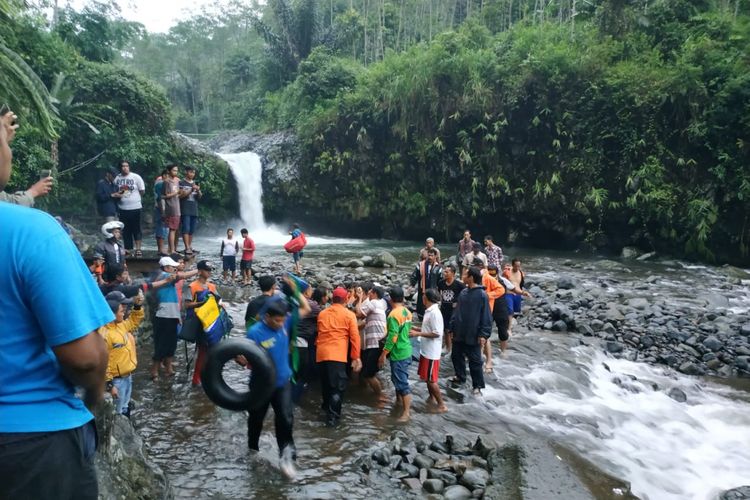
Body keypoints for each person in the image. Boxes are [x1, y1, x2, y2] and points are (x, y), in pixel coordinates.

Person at [1, 106, 113, 499]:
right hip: (30, 441)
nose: (9, 149)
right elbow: (84, 356)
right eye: (5, 137)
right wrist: (96, 393)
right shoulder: (30, 232)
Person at [242, 285, 310, 480]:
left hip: (282, 383)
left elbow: (306, 308)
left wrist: (295, 290)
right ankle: (252, 449)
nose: (281, 324)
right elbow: (247, 359)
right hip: (261, 385)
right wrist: (242, 359)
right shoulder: (255, 332)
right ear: (267, 318)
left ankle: (287, 457)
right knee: (256, 420)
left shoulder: (287, 322)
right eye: (277, 321)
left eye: (282, 320)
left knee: (286, 419)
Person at [316, 286, 362, 426]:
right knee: (337, 388)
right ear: (346, 299)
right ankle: (332, 420)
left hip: (321, 354)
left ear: (332, 299)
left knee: (326, 386)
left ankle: (325, 410)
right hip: (337, 355)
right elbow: (355, 338)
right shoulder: (349, 315)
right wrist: (356, 357)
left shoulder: (322, 313)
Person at [150, 256, 198, 381]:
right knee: (162, 343)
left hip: (171, 314)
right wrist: (198, 270)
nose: (175, 269)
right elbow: (182, 276)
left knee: (171, 343)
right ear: (166, 267)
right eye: (173, 267)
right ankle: (154, 370)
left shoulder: (165, 277)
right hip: (163, 315)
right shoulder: (164, 276)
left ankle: (168, 368)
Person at [101, 290, 144, 417]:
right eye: (121, 311)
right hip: (116, 380)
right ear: (112, 314)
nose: (124, 312)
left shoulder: (120, 325)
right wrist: (109, 385)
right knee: (117, 411)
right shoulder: (105, 334)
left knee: (125, 406)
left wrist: (137, 307)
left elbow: (133, 321)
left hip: (127, 376)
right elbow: (103, 362)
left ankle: (128, 428)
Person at [450, 266, 492, 395]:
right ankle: (460, 376)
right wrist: (452, 326)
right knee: (456, 355)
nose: (462, 277)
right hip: (460, 331)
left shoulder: (482, 295)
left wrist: (484, 334)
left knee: (475, 361)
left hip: (473, 333)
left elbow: (486, 316)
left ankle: (477, 385)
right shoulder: (463, 292)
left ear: (471, 278)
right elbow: (457, 312)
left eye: (465, 275)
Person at [377, 286, 413, 422]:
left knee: (402, 383)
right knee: (398, 379)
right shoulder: (407, 312)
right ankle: (398, 404)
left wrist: (383, 354)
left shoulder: (393, 315)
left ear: (390, 299)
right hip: (407, 349)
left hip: (399, 353)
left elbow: (393, 337)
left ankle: (406, 413)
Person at [412, 288, 447, 412]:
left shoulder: (435, 313)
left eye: (423, 296)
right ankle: (431, 398)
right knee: (427, 378)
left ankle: (442, 405)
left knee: (432, 380)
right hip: (426, 350)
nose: (422, 298)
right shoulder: (429, 311)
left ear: (426, 298)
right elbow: (428, 328)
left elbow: (437, 333)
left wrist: (418, 334)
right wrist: (417, 329)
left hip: (432, 352)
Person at [184, 260, 218, 387]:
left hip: (212, 324)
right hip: (199, 325)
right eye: (206, 270)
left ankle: (208, 377)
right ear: (199, 271)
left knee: (213, 351)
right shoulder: (192, 286)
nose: (209, 272)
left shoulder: (212, 287)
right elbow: (187, 305)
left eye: (210, 270)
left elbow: (218, 302)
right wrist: (200, 303)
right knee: (203, 352)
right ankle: (196, 380)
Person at [294, 286, 326, 402]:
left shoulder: (298, 302)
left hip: (297, 341)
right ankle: (296, 400)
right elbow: (326, 317)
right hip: (303, 342)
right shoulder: (313, 306)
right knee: (302, 374)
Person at [355, 285, 388, 397]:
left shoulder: (374, 303)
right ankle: (366, 393)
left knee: (368, 374)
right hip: (376, 342)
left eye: (370, 292)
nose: (368, 293)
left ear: (374, 294)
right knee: (366, 371)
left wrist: (359, 298)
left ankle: (380, 396)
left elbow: (359, 313)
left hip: (375, 343)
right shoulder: (380, 304)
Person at [478, 261, 507, 370]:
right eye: (489, 274)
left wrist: (522, 293)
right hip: (488, 310)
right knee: (485, 334)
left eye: (493, 274)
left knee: (503, 331)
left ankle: (503, 351)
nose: (491, 276)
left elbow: (512, 289)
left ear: (497, 274)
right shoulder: (484, 281)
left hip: (500, 309)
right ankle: (484, 356)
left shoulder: (503, 282)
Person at [114, 161, 146, 256]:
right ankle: (128, 249)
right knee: (125, 230)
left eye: (127, 166)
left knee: (136, 229)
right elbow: (115, 190)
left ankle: (138, 249)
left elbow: (142, 191)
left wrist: (134, 198)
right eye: (123, 166)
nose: (125, 168)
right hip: (122, 208)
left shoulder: (136, 177)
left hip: (135, 207)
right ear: (120, 168)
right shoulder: (117, 178)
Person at [438, 263, 465, 355]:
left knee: (453, 330)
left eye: (447, 272)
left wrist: (458, 302)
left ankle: (456, 348)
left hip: (454, 311)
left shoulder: (459, 285)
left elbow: (466, 294)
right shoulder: (441, 283)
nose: (444, 273)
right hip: (444, 308)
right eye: (444, 271)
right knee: (445, 329)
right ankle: (448, 347)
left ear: (453, 273)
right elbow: (439, 293)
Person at [411, 247, 443, 319]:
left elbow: (440, 280)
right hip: (422, 290)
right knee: (421, 306)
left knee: (432, 306)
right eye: (429, 255)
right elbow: (415, 275)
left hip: (433, 290)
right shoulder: (420, 265)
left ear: (435, 256)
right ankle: (421, 319)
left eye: (432, 255)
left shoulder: (438, 267)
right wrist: (411, 285)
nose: (430, 257)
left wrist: (441, 291)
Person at [504, 258, 531, 336]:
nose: (517, 268)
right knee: (510, 310)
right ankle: (508, 329)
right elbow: (502, 282)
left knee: (515, 311)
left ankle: (509, 324)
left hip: (518, 294)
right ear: (512, 265)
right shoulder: (507, 272)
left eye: (519, 266)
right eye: (516, 266)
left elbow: (521, 284)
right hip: (508, 293)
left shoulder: (521, 273)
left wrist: (524, 293)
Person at [179, 165, 201, 255]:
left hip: (194, 209)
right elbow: (180, 196)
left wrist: (198, 191)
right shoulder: (181, 183)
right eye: (191, 172)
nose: (192, 174)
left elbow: (199, 197)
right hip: (185, 209)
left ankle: (189, 246)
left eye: (194, 172)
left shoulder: (195, 183)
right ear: (186, 172)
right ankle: (187, 247)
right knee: (186, 228)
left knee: (192, 229)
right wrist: (191, 190)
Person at [161, 163, 182, 255]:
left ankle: (173, 249)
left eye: (177, 170)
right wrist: (176, 192)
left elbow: (178, 194)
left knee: (175, 229)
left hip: (177, 207)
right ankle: (171, 250)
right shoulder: (167, 181)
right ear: (169, 171)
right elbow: (164, 196)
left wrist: (181, 193)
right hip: (171, 207)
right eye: (174, 170)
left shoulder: (177, 181)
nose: (176, 172)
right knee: (172, 229)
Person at [153, 168, 169, 256]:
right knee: (161, 228)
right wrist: (163, 211)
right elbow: (159, 199)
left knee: (164, 228)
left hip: (165, 209)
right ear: (163, 176)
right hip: (161, 209)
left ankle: (161, 249)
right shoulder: (160, 184)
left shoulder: (165, 184)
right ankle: (160, 249)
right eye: (166, 175)